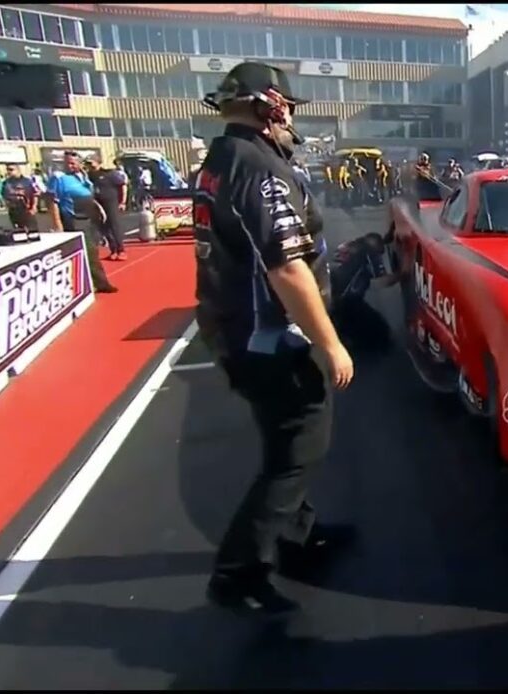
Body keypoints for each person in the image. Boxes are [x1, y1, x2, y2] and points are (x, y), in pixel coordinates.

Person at [194, 61, 356, 615]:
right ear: (268, 104)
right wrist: (330, 341)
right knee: (299, 449)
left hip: (232, 328)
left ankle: (298, 535)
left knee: (286, 444)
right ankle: (238, 574)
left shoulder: (220, 157)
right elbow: (288, 268)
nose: (289, 116)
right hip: (270, 340)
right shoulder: (259, 166)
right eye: (285, 105)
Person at [44, 152, 117, 293]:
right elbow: (51, 201)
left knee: (93, 250)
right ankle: (99, 283)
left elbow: (87, 194)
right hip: (73, 218)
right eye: (67, 163)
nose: (69, 166)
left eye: (73, 163)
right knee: (87, 252)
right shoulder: (58, 178)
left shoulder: (82, 177)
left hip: (89, 217)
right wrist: (57, 224)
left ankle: (93, 282)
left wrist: (98, 208)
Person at [86, 158, 128, 261]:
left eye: (91, 163)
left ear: (98, 162)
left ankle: (121, 250)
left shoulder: (109, 174)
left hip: (111, 203)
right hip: (98, 204)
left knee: (114, 226)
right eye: (88, 164)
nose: (90, 166)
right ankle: (113, 250)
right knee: (104, 227)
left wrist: (123, 202)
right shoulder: (89, 176)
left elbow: (123, 186)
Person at [1, 163, 40, 232]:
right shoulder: (6, 183)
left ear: (18, 170)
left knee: (31, 230)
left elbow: (35, 194)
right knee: (19, 231)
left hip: (26, 209)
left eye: (11, 169)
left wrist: (34, 206)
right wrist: (7, 204)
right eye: (7, 170)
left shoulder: (27, 181)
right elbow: (4, 195)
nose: (9, 172)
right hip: (14, 211)